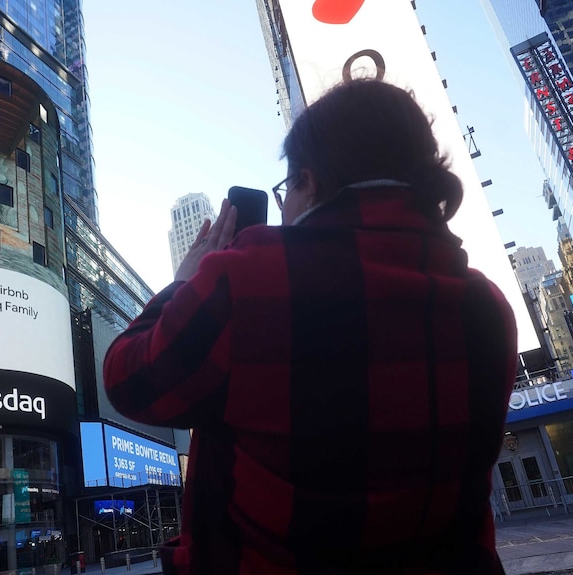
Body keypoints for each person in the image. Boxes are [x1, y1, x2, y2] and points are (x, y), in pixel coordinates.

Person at [102, 79, 517, 574]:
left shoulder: (246, 279)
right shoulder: (487, 308)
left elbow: (127, 380)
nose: (284, 209)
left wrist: (181, 284)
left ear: (309, 180)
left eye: (288, 189)